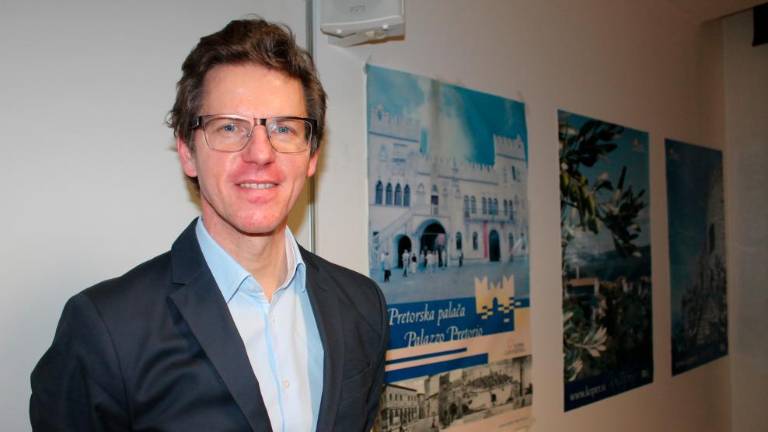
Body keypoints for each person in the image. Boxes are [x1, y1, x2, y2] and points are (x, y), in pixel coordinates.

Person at [30, 18, 388, 432]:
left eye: (284, 128)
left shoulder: (362, 306)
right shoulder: (107, 329)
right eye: (230, 127)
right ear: (187, 152)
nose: (261, 153)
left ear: (311, 156)